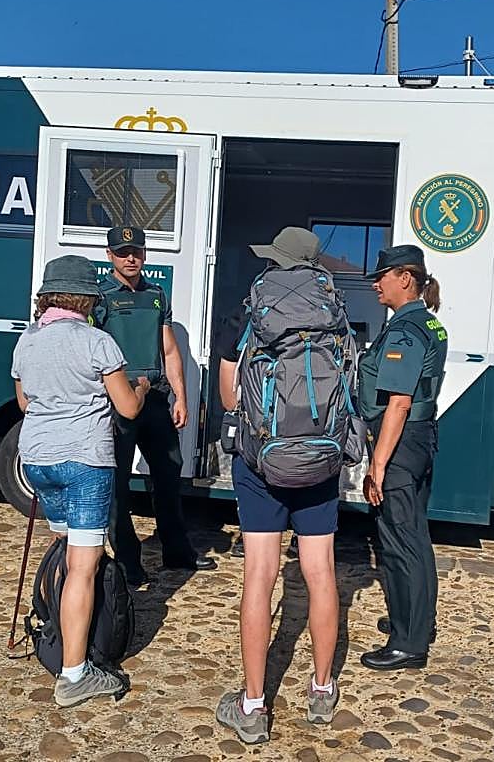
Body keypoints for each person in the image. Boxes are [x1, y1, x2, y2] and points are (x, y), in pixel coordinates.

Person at [214, 227, 342, 744]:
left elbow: (228, 398)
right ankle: (321, 690)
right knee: (321, 573)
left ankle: (252, 705)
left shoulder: (248, 312)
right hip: (319, 459)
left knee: (260, 576)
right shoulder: (332, 317)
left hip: (261, 462)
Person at [11, 254, 151, 706]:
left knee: (66, 551)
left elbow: (25, 404)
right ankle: (74, 675)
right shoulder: (98, 342)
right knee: (84, 566)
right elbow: (127, 407)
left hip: (36, 459)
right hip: (85, 461)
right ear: (87, 299)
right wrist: (144, 388)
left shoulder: (26, 342)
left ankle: (60, 633)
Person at [95, 226, 216, 582]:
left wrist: (180, 396)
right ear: (110, 256)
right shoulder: (100, 298)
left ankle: (177, 553)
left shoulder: (157, 294)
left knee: (168, 475)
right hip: (117, 398)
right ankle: (129, 564)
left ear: (145, 254)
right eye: (122, 252)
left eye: (136, 251)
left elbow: (169, 348)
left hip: (155, 396)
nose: (130, 258)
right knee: (116, 483)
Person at [357, 245, 447, 671]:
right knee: (415, 535)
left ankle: (408, 643)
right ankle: (414, 620)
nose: (376, 284)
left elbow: (398, 403)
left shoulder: (405, 330)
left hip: (400, 440)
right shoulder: (429, 323)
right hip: (420, 439)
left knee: (397, 541)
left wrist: (377, 465)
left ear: (405, 278)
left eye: (382, 276)